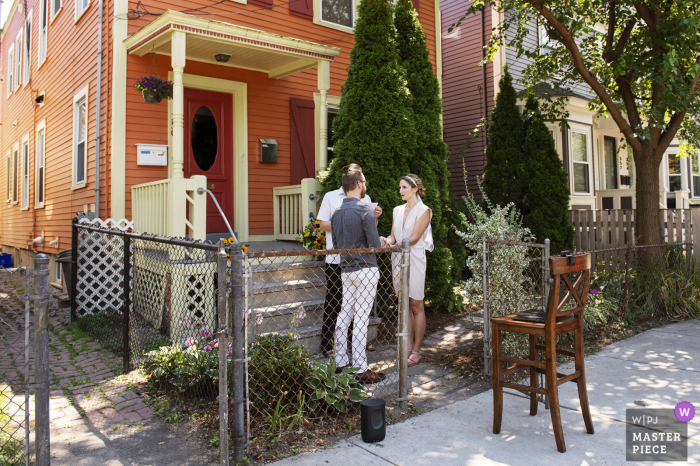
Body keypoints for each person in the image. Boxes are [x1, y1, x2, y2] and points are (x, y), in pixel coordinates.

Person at [317, 164, 382, 357]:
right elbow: (322, 225)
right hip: (342, 261)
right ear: (357, 182)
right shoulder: (331, 197)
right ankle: (330, 345)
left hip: (353, 260)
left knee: (352, 309)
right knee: (336, 303)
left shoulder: (362, 202)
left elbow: (367, 230)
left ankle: (349, 351)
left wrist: (374, 217)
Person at [330, 169, 386, 384]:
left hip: (346, 269)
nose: (365, 185)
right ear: (359, 184)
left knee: (345, 313)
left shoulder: (336, 213)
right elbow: (374, 244)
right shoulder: (365, 210)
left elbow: (336, 245)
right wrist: (381, 241)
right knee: (361, 316)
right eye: (365, 182)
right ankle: (361, 368)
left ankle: (342, 361)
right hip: (366, 268)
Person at [381, 174, 433, 367]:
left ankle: (417, 351)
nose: (400, 191)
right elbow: (394, 237)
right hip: (398, 260)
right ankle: (406, 349)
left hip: (415, 260)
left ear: (414, 189)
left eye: (404, 187)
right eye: (400, 187)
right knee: (404, 307)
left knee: (416, 305)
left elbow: (414, 239)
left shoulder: (424, 211)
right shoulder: (396, 210)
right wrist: (385, 241)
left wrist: (395, 245)